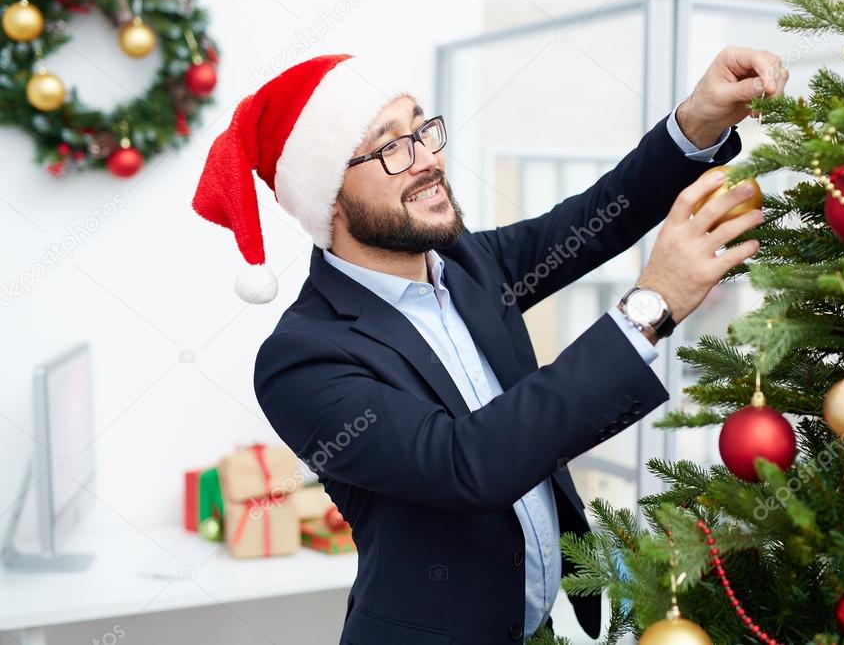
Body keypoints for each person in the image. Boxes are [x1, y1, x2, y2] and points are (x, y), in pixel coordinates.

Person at [192, 48, 788, 644]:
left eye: (423, 130)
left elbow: (596, 217)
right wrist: (649, 307)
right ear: (330, 197)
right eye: (390, 146)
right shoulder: (300, 358)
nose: (426, 159)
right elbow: (465, 463)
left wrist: (698, 122)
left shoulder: (468, 264)